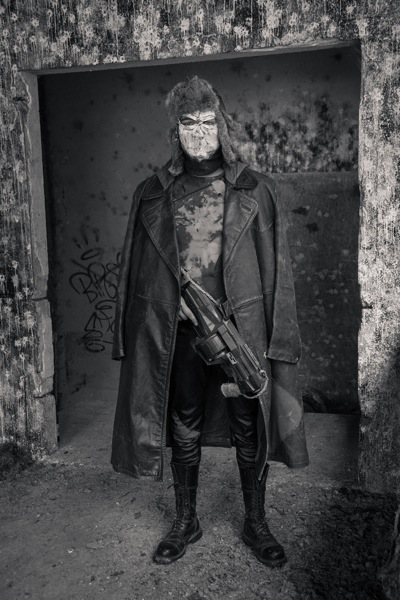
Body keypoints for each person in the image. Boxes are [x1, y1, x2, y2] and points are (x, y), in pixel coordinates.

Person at [111, 76, 309, 568]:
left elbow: (279, 271)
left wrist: (280, 336)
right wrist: (164, 304)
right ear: (175, 130)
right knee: (183, 423)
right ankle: (186, 521)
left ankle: (256, 522)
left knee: (249, 425)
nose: (198, 132)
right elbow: (134, 271)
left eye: (207, 121)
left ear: (222, 126)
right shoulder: (151, 193)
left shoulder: (257, 190)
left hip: (241, 331)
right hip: (178, 333)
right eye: (188, 123)